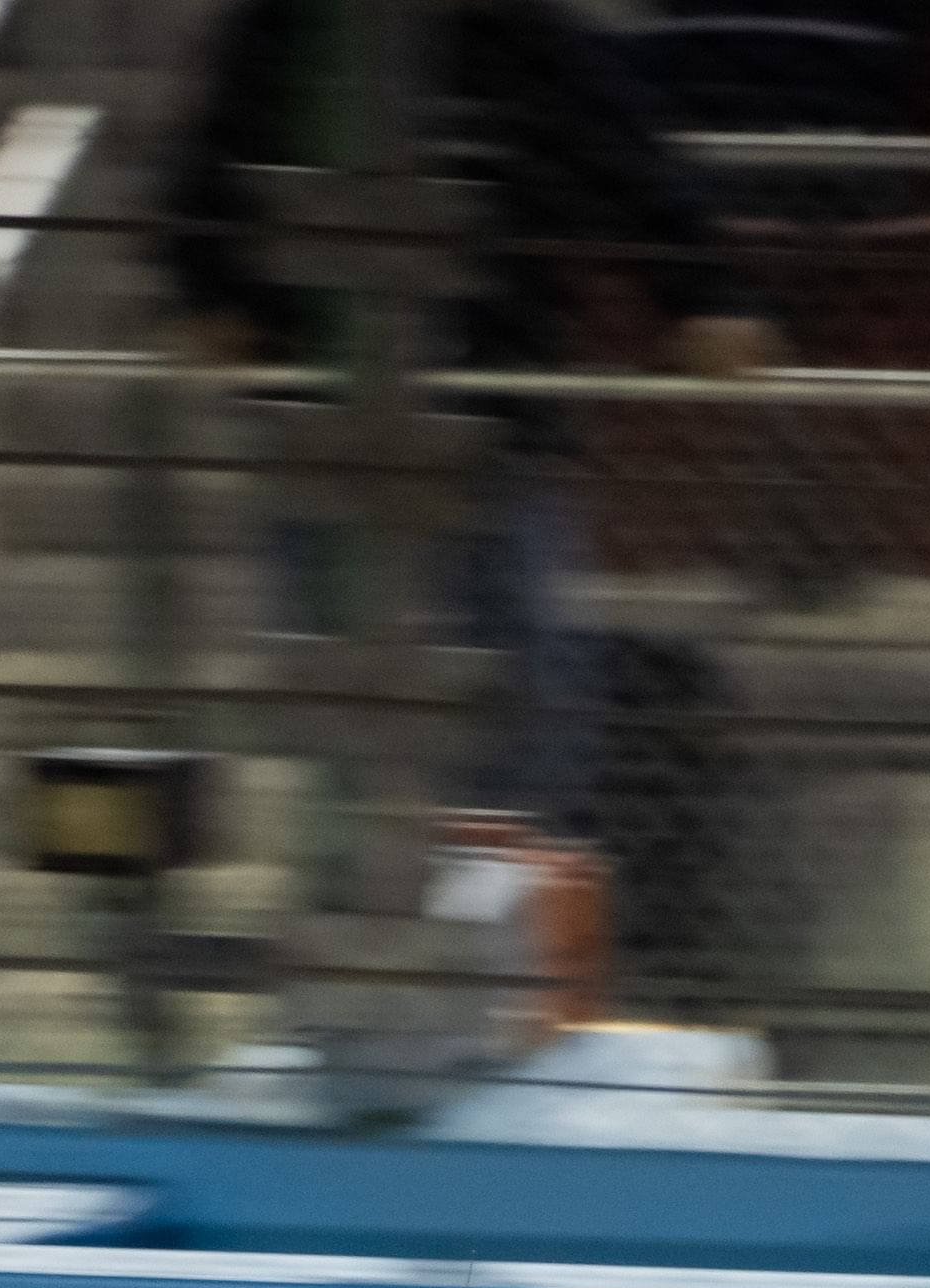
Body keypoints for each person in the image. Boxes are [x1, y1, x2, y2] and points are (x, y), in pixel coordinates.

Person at [164, 0, 771, 838]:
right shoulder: (289, 28)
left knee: (523, 689)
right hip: (325, 424)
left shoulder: (521, 30)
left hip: (491, 415)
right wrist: (207, 291)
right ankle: (370, 874)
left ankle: (499, 887)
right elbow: (208, 172)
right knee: (345, 688)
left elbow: (633, 167)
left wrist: (708, 297)